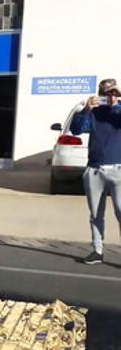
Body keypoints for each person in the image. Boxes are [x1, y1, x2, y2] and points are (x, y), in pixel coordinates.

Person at [71, 78, 121, 265]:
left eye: (115, 93)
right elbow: (76, 130)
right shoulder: (93, 112)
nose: (111, 97)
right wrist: (86, 110)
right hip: (94, 170)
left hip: (118, 169)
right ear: (100, 95)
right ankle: (97, 250)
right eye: (107, 94)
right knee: (95, 214)